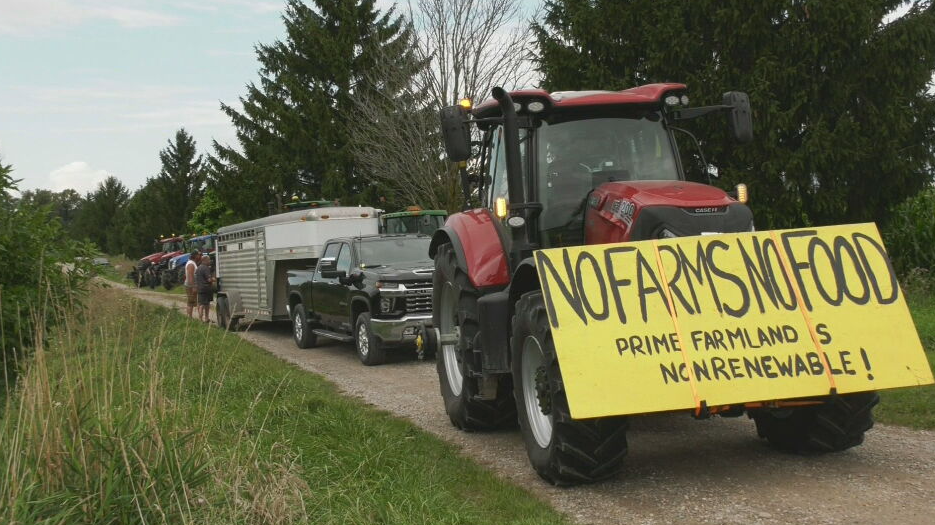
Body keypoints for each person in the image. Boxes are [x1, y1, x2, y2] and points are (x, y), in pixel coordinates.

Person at [195, 255, 215, 323]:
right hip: (206, 289)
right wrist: (213, 279)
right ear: (205, 260)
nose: (210, 261)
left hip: (200, 288)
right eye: (209, 260)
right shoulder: (206, 268)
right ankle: (205, 318)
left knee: (201, 304)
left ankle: (202, 319)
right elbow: (209, 279)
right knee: (205, 304)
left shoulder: (198, 268)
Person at [184, 251, 201, 318]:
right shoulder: (191, 264)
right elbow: (190, 276)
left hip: (190, 285)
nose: (200, 256)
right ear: (195, 255)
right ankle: (189, 318)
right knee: (190, 302)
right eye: (199, 255)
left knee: (191, 302)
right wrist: (193, 286)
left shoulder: (192, 263)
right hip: (190, 286)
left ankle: (190, 317)